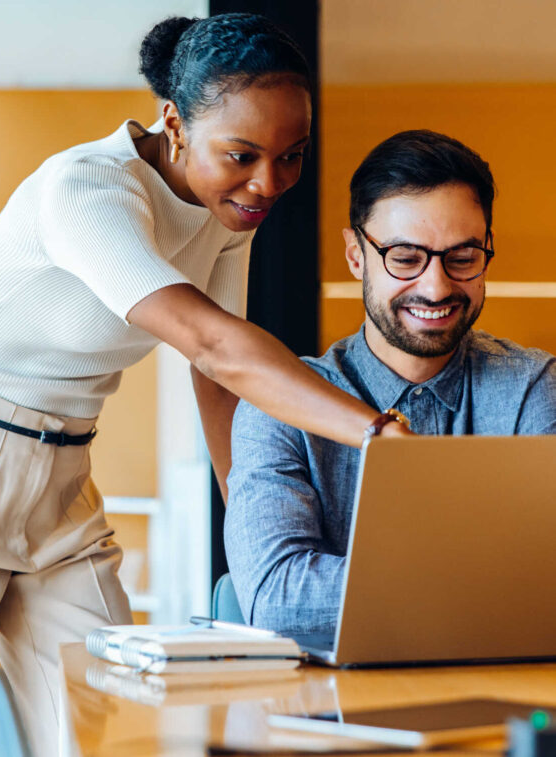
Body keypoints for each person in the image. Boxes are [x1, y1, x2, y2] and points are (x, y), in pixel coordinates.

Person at [0, 13, 407, 755]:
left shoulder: (227, 212)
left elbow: (217, 380)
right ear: (174, 122)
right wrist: (374, 431)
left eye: (291, 156)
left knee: (97, 722)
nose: (268, 183)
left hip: (63, 476)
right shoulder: (86, 190)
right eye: (242, 153)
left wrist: (252, 529)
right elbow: (211, 341)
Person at [225, 129, 556, 636]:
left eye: (463, 258)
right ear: (356, 256)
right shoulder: (277, 406)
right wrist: (491, 582)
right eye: (405, 258)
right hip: (329, 711)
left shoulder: (533, 388)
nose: (436, 286)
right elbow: (277, 599)